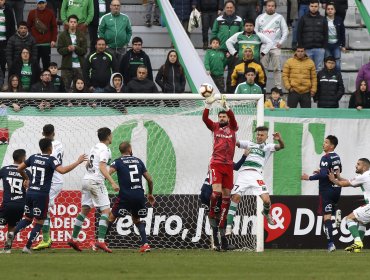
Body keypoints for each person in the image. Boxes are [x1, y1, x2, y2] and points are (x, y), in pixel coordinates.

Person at [6, 138, 86, 253]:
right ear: (50, 148)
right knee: (40, 222)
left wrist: (26, 178)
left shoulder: (33, 157)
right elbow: (62, 171)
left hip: (30, 193)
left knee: (28, 218)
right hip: (41, 195)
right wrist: (77, 162)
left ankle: (12, 233)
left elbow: (19, 168)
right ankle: (27, 247)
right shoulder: (51, 160)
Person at [226, 126, 285, 235]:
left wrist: (279, 139)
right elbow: (235, 142)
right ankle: (229, 226)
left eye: (262, 135)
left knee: (267, 200)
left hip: (256, 175)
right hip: (243, 174)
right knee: (235, 198)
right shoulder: (249, 143)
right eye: (258, 134)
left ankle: (266, 213)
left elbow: (281, 146)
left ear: (267, 136)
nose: (259, 136)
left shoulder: (268, 147)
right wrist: (229, 134)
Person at [68, 127, 118, 253]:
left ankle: (73, 238)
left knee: (84, 210)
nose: (112, 137)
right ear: (108, 136)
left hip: (86, 180)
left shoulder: (94, 147)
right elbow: (102, 166)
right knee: (106, 210)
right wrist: (112, 182)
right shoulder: (105, 149)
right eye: (111, 135)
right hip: (96, 181)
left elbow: (87, 165)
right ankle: (100, 241)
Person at [202, 94, 238, 249]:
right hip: (216, 163)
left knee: (226, 198)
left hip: (229, 165)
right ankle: (211, 212)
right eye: (220, 116)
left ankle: (222, 239)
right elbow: (205, 119)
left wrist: (227, 106)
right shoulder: (215, 127)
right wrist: (208, 105)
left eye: (224, 116)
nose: (222, 118)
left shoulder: (233, 128)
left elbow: (233, 118)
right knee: (215, 194)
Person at [108, 141, 155, 252]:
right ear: (129, 149)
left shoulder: (118, 162)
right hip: (139, 194)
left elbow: (108, 173)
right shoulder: (138, 161)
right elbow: (150, 179)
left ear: (121, 151)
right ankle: (145, 244)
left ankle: (100, 242)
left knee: (111, 217)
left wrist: (110, 182)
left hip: (125, 195)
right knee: (137, 219)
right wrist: (150, 193)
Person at [200, 151, 248, 250]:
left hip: (204, 190)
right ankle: (223, 244)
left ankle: (216, 244)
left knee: (212, 214)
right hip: (213, 192)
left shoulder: (213, 158)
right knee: (222, 215)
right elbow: (237, 167)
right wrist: (244, 156)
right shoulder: (224, 161)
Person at [301, 135, 342, 252]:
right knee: (329, 214)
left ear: (331, 146)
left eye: (326, 142)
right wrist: (322, 171)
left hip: (327, 191)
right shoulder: (337, 157)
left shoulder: (325, 157)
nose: (323, 144)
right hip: (337, 189)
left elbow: (324, 175)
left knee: (326, 218)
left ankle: (331, 244)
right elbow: (336, 172)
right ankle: (336, 215)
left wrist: (308, 177)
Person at [32, 124, 64, 250]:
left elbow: (48, 161)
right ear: (54, 133)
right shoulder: (59, 144)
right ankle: (47, 239)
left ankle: (46, 239)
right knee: (45, 209)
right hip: (56, 181)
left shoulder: (48, 148)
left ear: (42, 133)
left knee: (43, 210)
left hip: (53, 181)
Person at [328, 158, 370, 253]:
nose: (356, 165)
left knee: (349, 218)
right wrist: (339, 177)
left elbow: (343, 184)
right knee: (362, 222)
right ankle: (357, 247)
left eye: (358, 164)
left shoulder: (364, 176)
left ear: (364, 167)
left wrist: (333, 180)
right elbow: (350, 182)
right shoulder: (366, 177)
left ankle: (358, 242)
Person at [0, 149, 31, 253]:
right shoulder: (26, 172)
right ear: (22, 159)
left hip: (7, 203)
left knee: (2, 224)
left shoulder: (4, 169)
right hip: (20, 204)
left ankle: (7, 248)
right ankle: (7, 249)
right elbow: (30, 186)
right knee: (12, 226)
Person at [255, 0, 289, 89]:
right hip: (264, 47)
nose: (270, 7)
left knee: (277, 69)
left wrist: (281, 42)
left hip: (275, 48)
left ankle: (278, 87)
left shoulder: (280, 17)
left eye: (272, 6)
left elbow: (285, 31)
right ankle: (262, 87)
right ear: (265, 7)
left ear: (275, 7)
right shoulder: (260, 17)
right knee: (263, 69)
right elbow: (255, 32)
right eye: (269, 5)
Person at [211, 0, 243, 92]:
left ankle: (230, 94)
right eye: (227, 7)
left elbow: (242, 35)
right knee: (218, 74)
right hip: (221, 51)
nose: (229, 9)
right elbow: (214, 33)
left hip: (234, 52)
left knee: (232, 74)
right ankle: (218, 93)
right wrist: (215, 47)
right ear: (224, 8)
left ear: (234, 8)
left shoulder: (239, 20)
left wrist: (235, 50)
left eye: (231, 7)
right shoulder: (218, 19)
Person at [57, 15, 88, 91]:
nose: (73, 23)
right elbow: (59, 50)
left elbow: (84, 51)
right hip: (67, 66)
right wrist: (67, 49)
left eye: (74, 22)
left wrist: (76, 48)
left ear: (77, 24)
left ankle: (79, 103)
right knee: (65, 87)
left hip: (79, 66)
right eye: (71, 22)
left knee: (80, 89)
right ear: (68, 23)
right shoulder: (62, 35)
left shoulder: (82, 35)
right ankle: (67, 103)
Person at [297, 0, 328, 71]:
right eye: (312, 6)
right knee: (307, 70)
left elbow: (326, 34)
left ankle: (317, 83)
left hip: (319, 49)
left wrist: (323, 47)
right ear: (309, 6)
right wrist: (301, 46)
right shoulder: (303, 18)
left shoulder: (323, 19)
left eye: (315, 6)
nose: (313, 8)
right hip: (307, 49)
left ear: (318, 7)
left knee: (319, 69)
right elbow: (299, 33)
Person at [27, 0, 58, 70]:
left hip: (46, 43)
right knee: (34, 65)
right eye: (39, 3)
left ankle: (46, 80)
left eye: (42, 3)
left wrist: (53, 40)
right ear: (36, 4)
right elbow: (28, 27)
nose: (41, 5)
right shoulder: (31, 13)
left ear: (46, 3)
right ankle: (36, 80)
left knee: (46, 65)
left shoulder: (50, 12)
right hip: (35, 43)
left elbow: (54, 27)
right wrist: (30, 40)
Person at [324, 3, 345, 71]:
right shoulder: (323, 20)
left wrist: (343, 45)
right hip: (326, 45)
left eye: (332, 9)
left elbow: (342, 33)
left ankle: (338, 80)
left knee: (337, 64)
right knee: (327, 65)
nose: (330, 10)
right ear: (326, 11)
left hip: (336, 45)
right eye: (328, 9)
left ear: (335, 10)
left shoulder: (339, 19)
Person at [0, 0, 16, 78]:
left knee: (3, 63)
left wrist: (10, 41)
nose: (0, 1)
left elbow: (12, 27)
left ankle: (1, 83)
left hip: (4, 42)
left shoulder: (8, 11)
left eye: (2, 0)